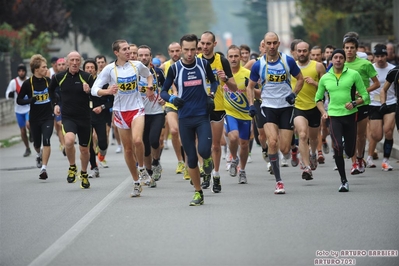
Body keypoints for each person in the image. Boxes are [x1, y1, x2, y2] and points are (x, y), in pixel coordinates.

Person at [91, 40, 154, 197]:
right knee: (127, 149)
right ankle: (136, 182)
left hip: (137, 108)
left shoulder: (136, 65)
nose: (128, 52)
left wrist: (150, 88)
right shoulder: (109, 69)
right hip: (120, 112)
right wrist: (108, 91)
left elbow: (149, 75)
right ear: (116, 53)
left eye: (129, 49)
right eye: (124, 49)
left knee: (138, 140)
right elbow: (94, 89)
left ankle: (141, 168)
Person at [161, 33, 217, 206]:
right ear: (181, 49)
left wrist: (211, 95)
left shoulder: (203, 64)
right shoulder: (175, 68)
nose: (190, 53)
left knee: (205, 149)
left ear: (197, 48)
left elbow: (214, 82)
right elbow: (162, 91)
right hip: (184, 118)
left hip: (202, 116)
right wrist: (171, 99)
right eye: (186, 50)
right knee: (191, 159)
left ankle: (207, 160)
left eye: (193, 49)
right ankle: (198, 192)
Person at [246, 32, 304, 194]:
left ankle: (292, 150)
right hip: (268, 107)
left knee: (284, 149)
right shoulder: (259, 64)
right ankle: (279, 181)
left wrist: (293, 94)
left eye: (274, 43)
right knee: (272, 142)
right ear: (264, 45)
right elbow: (250, 87)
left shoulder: (288, 61)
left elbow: (300, 79)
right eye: (268, 44)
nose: (271, 47)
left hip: (285, 107)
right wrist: (251, 104)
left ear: (278, 44)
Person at [315, 49, 369, 192]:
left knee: (350, 151)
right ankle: (343, 180)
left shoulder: (353, 75)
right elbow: (318, 99)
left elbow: (365, 96)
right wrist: (323, 112)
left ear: (344, 60)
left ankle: (347, 147)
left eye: (340, 57)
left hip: (351, 115)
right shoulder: (325, 78)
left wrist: (355, 103)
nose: (338, 60)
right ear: (331, 60)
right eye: (335, 57)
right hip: (334, 116)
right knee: (337, 147)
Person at [198, 31, 238, 191]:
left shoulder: (222, 61)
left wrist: (226, 79)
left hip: (217, 106)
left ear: (214, 44)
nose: (205, 47)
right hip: (199, 107)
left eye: (208, 44)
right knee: (201, 144)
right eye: (203, 43)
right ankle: (205, 172)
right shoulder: (196, 61)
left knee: (215, 145)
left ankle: (215, 174)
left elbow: (234, 88)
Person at [49, 51, 95, 189]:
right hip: (68, 117)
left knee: (84, 149)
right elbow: (51, 91)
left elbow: (96, 95)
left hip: (85, 118)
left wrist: (89, 91)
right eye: (72, 60)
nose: (75, 63)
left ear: (80, 62)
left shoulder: (87, 77)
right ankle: (72, 167)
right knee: (68, 141)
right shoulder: (58, 77)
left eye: (77, 60)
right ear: (67, 62)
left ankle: (84, 173)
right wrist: (55, 104)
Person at [343, 37, 380, 175]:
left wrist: (364, 91)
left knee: (360, 135)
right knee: (350, 134)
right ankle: (354, 163)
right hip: (346, 105)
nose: (349, 50)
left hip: (362, 103)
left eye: (352, 47)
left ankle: (359, 158)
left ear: (356, 49)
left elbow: (377, 84)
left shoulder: (365, 64)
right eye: (346, 47)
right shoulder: (339, 64)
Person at [292, 41, 325, 180]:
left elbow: (326, 88)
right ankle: (306, 167)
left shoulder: (318, 66)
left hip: (314, 106)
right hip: (298, 107)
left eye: (304, 51)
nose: (301, 53)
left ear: (309, 52)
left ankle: (313, 154)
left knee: (312, 138)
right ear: (295, 52)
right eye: (299, 51)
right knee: (303, 135)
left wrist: (315, 83)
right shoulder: (291, 66)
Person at [17, 55, 53, 180]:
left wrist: (57, 103)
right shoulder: (28, 83)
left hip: (48, 117)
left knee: (47, 140)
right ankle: (38, 154)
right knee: (37, 143)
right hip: (35, 118)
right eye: (44, 67)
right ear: (36, 69)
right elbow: (19, 100)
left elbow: (56, 95)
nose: (46, 69)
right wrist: (30, 100)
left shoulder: (48, 81)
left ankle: (44, 168)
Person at [137, 44, 166, 183]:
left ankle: (156, 162)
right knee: (145, 145)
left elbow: (166, 88)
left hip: (156, 112)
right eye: (141, 55)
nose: (143, 58)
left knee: (154, 140)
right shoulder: (133, 73)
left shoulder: (158, 73)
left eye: (146, 55)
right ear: (137, 57)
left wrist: (163, 97)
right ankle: (149, 172)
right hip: (140, 114)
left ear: (150, 56)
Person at [224, 45, 252, 185]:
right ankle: (234, 158)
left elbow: (258, 94)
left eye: (236, 56)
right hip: (229, 113)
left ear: (241, 57)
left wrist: (250, 88)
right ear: (227, 58)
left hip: (245, 114)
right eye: (231, 56)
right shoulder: (223, 74)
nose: (234, 59)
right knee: (233, 137)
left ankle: (242, 170)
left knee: (245, 144)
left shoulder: (247, 73)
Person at [160, 42, 187, 178]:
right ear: (168, 52)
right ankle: (180, 161)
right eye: (172, 51)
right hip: (170, 103)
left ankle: (188, 164)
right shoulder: (164, 67)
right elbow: (158, 84)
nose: (175, 53)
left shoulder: (186, 64)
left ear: (181, 51)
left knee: (185, 133)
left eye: (177, 51)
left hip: (185, 102)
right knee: (175, 131)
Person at [83, 59, 113, 178]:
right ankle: (94, 167)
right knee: (89, 143)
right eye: (87, 68)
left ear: (96, 69)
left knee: (103, 143)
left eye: (92, 67)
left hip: (100, 116)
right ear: (84, 70)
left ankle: (102, 154)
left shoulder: (102, 83)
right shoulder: (81, 82)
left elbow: (111, 101)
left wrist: (102, 107)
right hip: (86, 116)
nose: (90, 69)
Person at [5, 64, 31, 157]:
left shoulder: (29, 81)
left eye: (23, 71)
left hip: (29, 108)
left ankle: (31, 133)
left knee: (28, 124)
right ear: (17, 72)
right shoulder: (13, 82)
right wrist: (10, 95)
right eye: (19, 71)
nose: (21, 72)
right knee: (23, 130)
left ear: (25, 72)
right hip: (19, 109)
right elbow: (7, 94)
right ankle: (27, 148)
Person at [54, 57, 67, 156]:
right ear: (56, 66)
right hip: (58, 104)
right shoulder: (54, 78)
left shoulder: (69, 76)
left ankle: (66, 142)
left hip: (68, 103)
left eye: (63, 64)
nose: (61, 66)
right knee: (59, 124)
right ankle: (63, 145)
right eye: (59, 65)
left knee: (65, 126)